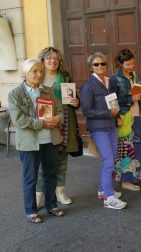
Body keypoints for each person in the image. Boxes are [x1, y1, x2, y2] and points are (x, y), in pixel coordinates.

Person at [8, 59, 65, 223]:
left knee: (51, 174)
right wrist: (41, 123)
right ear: (25, 73)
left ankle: (51, 205)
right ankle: (31, 210)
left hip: (49, 140)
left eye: (41, 71)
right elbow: (19, 120)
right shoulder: (15, 94)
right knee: (30, 178)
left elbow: (60, 111)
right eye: (34, 71)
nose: (39, 74)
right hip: (29, 143)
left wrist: (57, 119)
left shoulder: (48, 91)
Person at [80, 52, 127, 209]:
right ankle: (108, 197)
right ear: (91, 67)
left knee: (111, 159)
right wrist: (109, 114)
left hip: (111, 126)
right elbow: (87, 111)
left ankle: (103, 190)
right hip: (98, 129)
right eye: (96, 64)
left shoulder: (109, 82)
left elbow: (113, 104)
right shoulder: (88, 86)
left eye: (103, 64)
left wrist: (117, 116)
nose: (100, 66)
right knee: (108, 160)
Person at [35, 47, 81, 207]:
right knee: (43, 159)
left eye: (56, 58)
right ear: (42, 60)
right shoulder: (37, 77)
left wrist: (76, 102)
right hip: (45, 121)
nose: (52, 61)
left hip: (65, 120)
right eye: (48, 58)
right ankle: (39, 194)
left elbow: (74, 99)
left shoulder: (66, 77)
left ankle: (60, 191)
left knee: (62, 158)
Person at [109, 48, 141, 191]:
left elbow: (139, 91)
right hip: (124, 117)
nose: (131, 67)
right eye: (128, 65)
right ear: (120, 64)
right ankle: (125, 180)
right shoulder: (114, 79)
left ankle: (135, 175)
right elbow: (112, 101)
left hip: (136, 116)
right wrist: (131, 99)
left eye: (132, 64)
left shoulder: (135, 76)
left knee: (136, 146)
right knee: (126, 149)